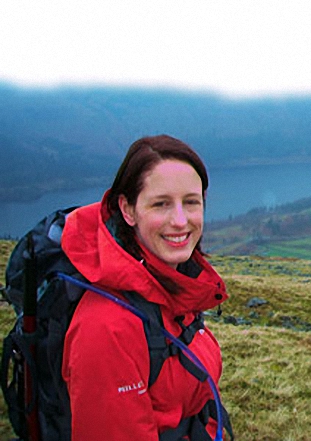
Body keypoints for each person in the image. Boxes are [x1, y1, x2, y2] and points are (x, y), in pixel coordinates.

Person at [60, 135, 231, 440]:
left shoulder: (177, 287)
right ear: (127, 210)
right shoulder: (106, 328)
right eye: (161, 204)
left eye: (191, 202)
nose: (180, 221)